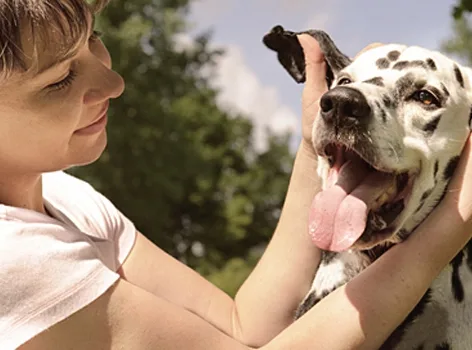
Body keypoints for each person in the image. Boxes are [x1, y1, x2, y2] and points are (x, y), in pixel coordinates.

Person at [0, 1, 471, 349]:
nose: (114, 83)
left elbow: (243, 326)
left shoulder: (68, 200)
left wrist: (314, 147)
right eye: (60, 79)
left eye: (94, 39)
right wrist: (451, 222)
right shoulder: (12, 257)